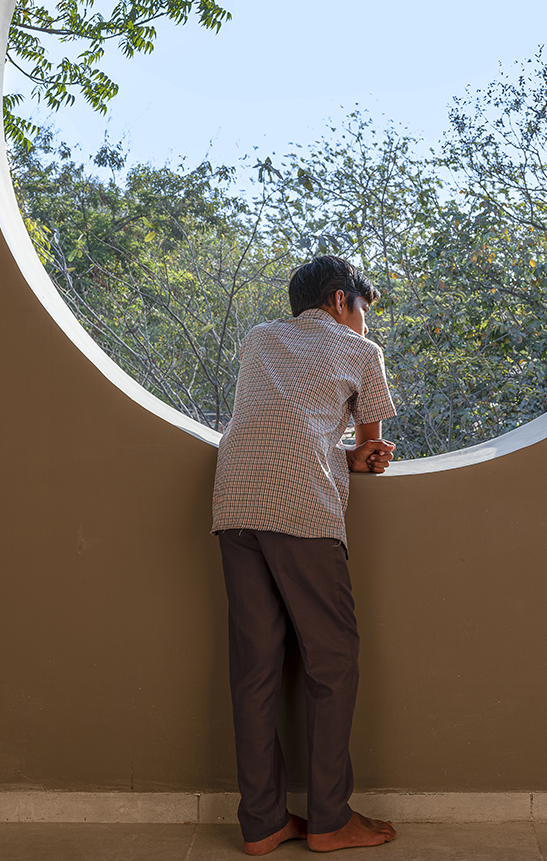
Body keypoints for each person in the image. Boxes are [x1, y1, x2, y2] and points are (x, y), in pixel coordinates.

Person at [212, 255, 399, 855]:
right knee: (333, 661)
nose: (365, 324)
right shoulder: (358, 351)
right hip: (301, 511)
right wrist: (363, 456)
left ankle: (263, 822)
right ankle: (329, 819)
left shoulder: (260, 339)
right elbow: (371, 446)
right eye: (364, 310)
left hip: (236, 501)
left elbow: (286, 425)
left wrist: (340, 455)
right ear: (342, 300)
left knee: (256, 666)